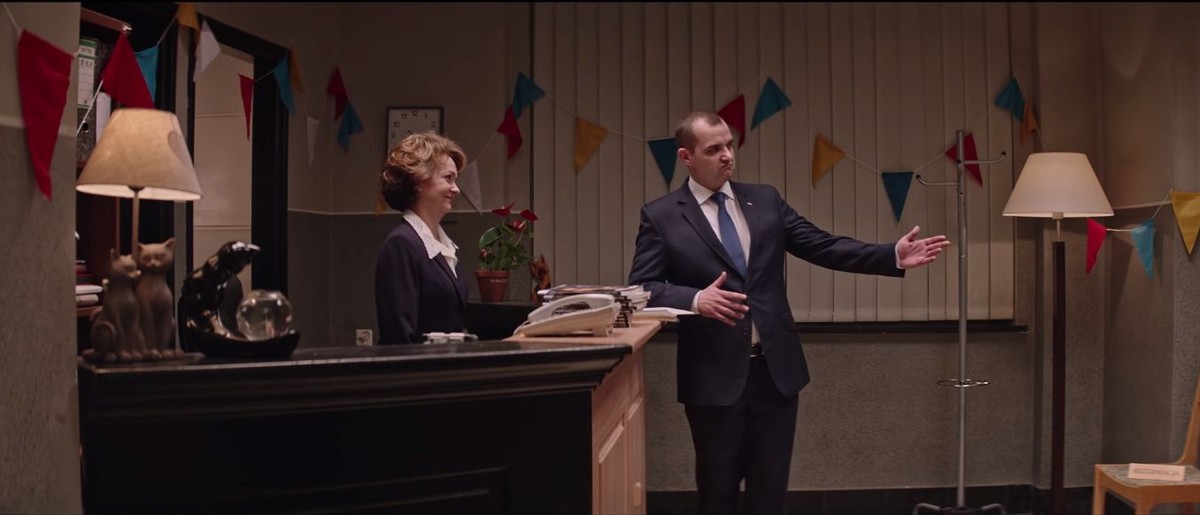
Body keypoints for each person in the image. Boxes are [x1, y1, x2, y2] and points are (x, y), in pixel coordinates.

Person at [627, 111, 950, 514]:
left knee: (770, 491)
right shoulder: (661, 215)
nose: (727, 155)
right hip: (713, 375)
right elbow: (642, 288)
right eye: (713, 149)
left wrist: (891, 256)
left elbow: (822, 245)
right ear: (686, 157)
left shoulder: (764, 200)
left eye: (729, 145)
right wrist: (695, 300)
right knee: (717, 490)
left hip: (774, 372)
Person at [374, 132, 469, 344]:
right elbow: (398, 338)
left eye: (455, 180)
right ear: (418, 181)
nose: (456, 189)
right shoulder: (401, 244)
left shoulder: (443, 245)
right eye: (448, 178)